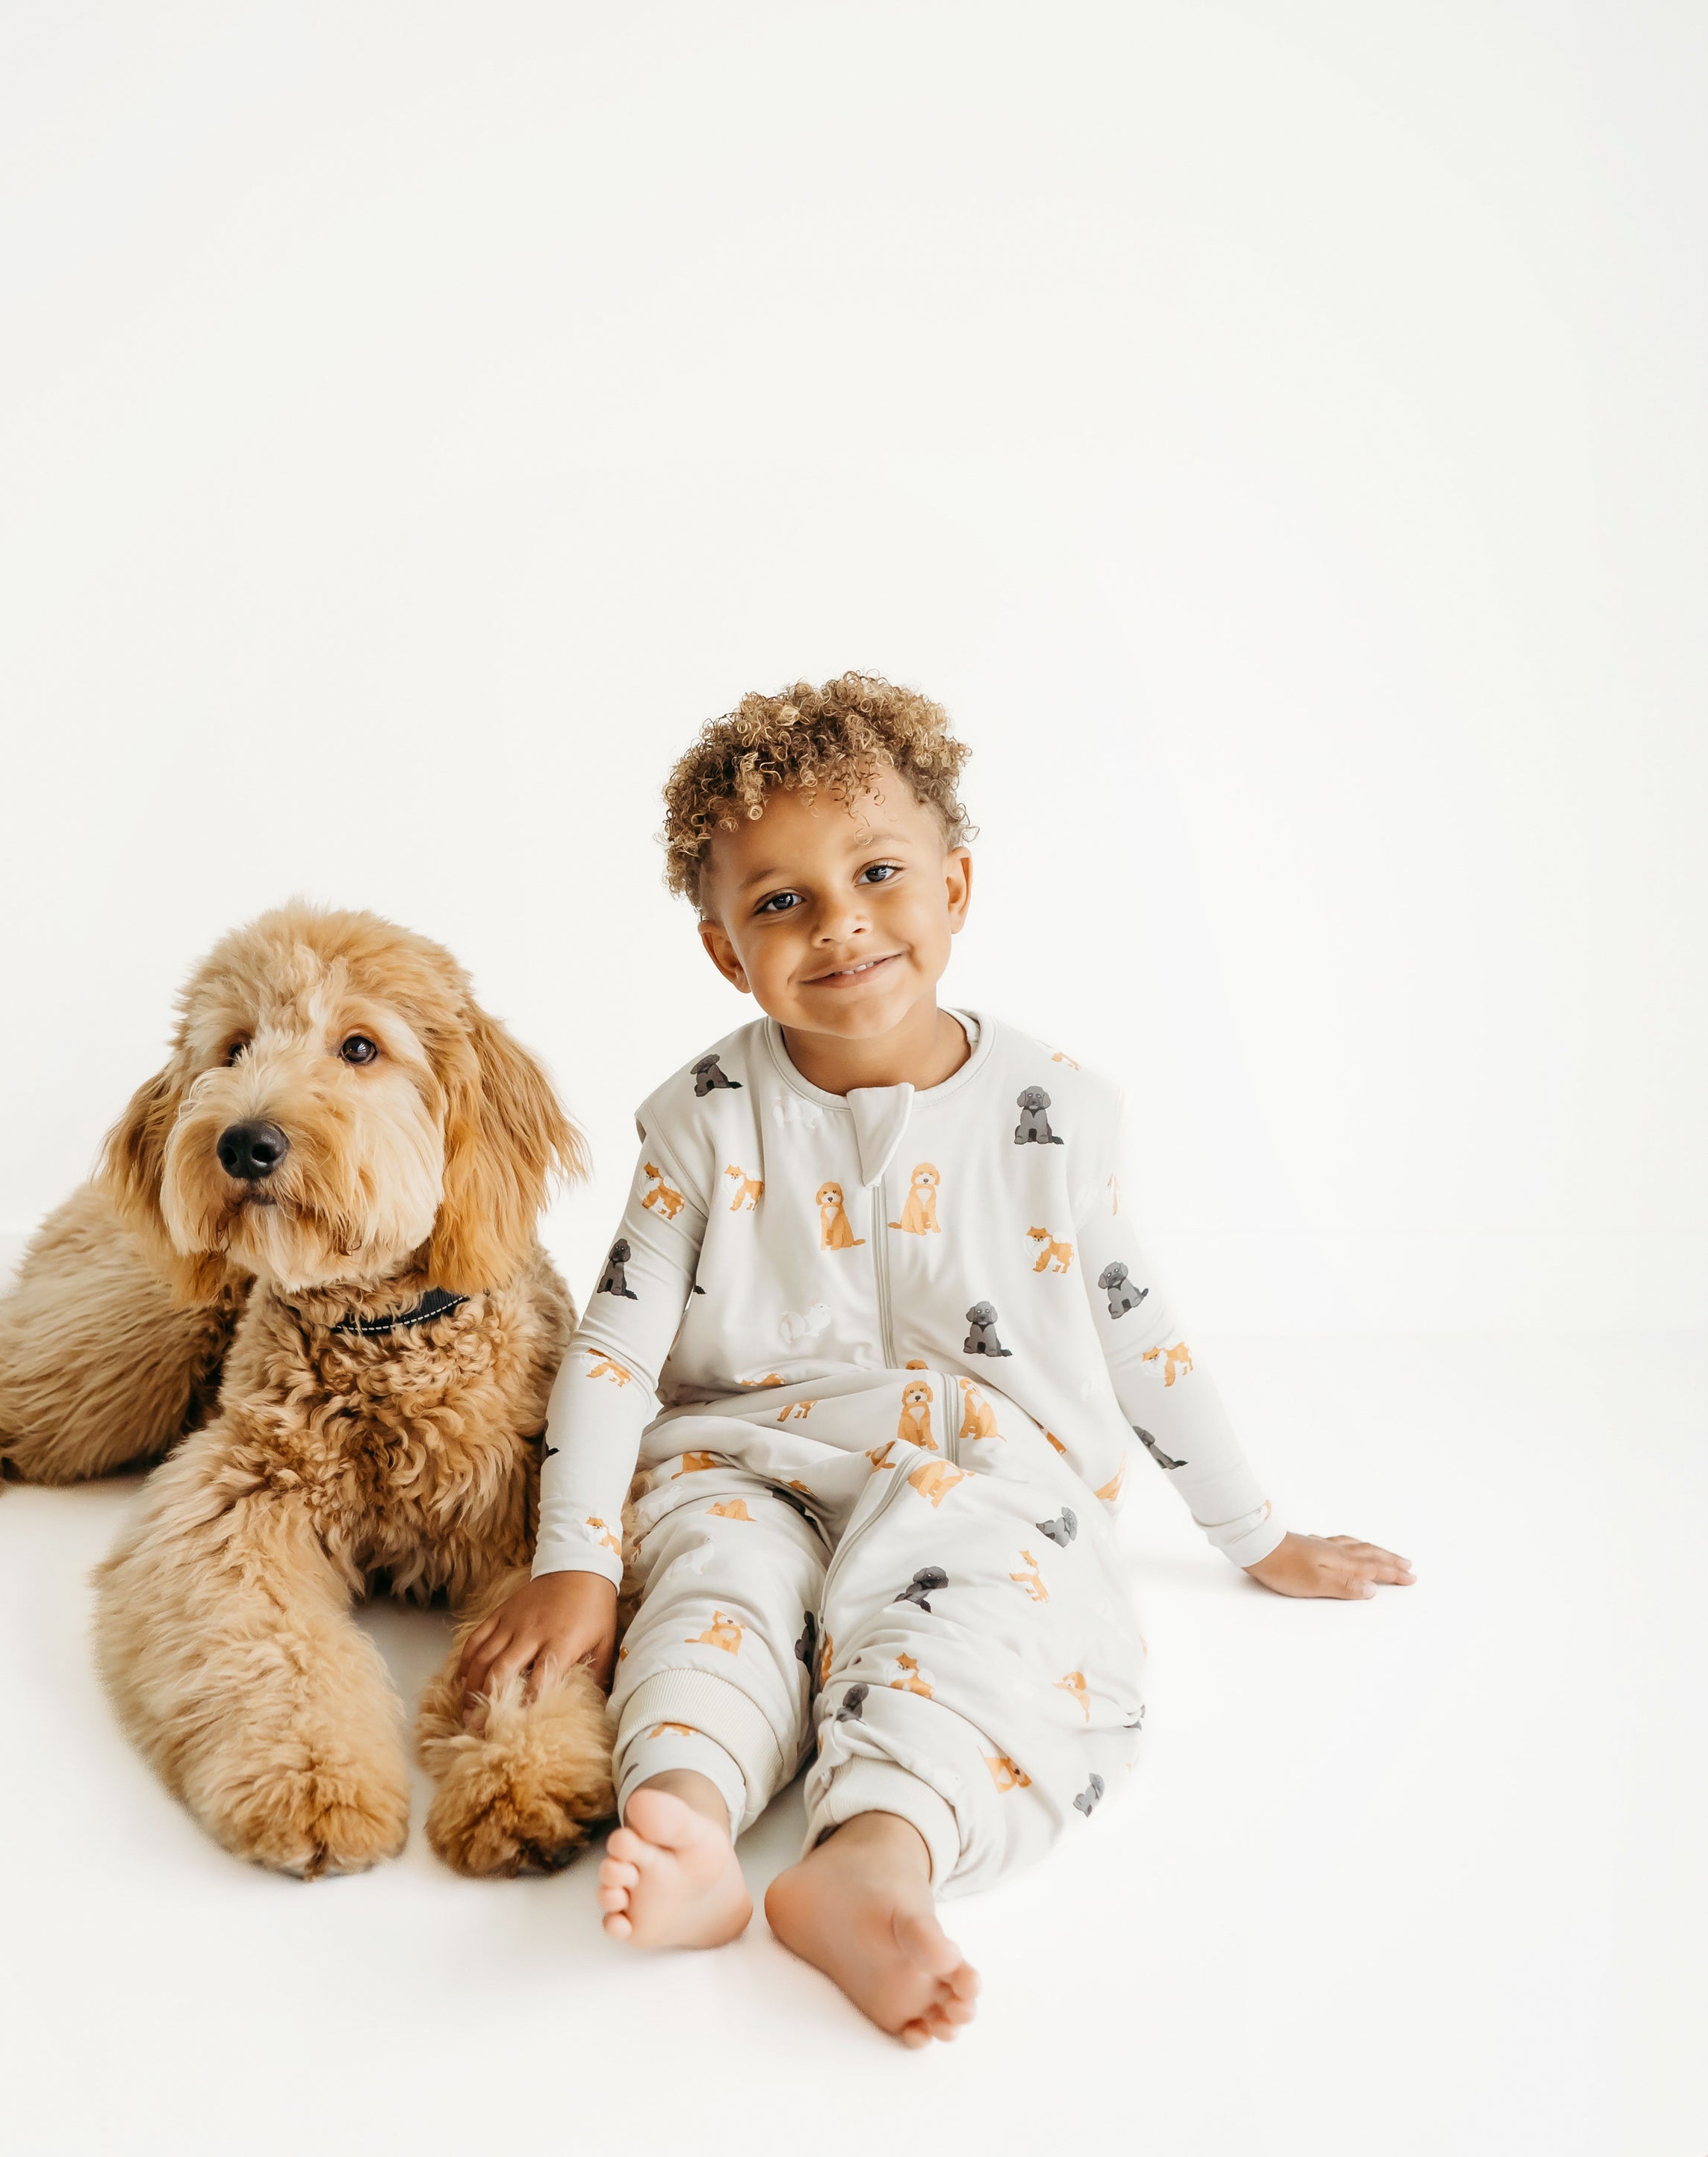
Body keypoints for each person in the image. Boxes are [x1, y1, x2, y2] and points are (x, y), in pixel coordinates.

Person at [458, 672, 1414, 2046]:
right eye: (777, 900)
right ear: (728, 952)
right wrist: (576, 1562)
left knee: (988, 1620)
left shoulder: (1057, 1116)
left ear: (956, 888)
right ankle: (689, 1827)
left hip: (986, 1462)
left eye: (878, 872)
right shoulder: (701, 1123)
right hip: (748, 1451)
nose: (837, 919)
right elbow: (614, 1344)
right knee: (713, 1591)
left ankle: (874, 1858)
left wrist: (1256, 1536)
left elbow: (1142, 1334)